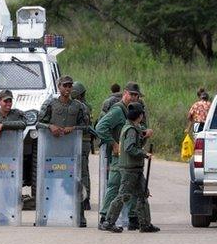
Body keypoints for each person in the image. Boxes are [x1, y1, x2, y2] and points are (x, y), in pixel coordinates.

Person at [95, 82, 153, 230]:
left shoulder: (135, 110)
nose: (134, 97)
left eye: (137, 95)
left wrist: (144, 132)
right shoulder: (117, 111)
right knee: (115, 187)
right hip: (119, 158)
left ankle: (136, 219)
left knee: (137, 189)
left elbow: (139, 128)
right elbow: (100, 128)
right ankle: (105, 219)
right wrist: (113, 144)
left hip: (132, 158)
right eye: (132, 94)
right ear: (125, 93)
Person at [38, 75, 88, 227]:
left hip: (72, 152)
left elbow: (86, 127)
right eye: (65, 86)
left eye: (69, 86)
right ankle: (43, 217)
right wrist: (50, 127)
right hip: (52, 153)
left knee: (76, 183)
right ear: (59, 87)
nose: (67, 88)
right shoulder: (50, 104)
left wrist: (73, 129)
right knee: (49, 185)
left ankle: (80, 217)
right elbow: (38, 123)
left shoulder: (79, 106)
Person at [70, 81, 93, 212]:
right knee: (83, 171)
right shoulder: (86, 106)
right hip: (83, 141)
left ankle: (84, 199)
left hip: (81, 141)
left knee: (82, 172)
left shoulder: (81, 107)